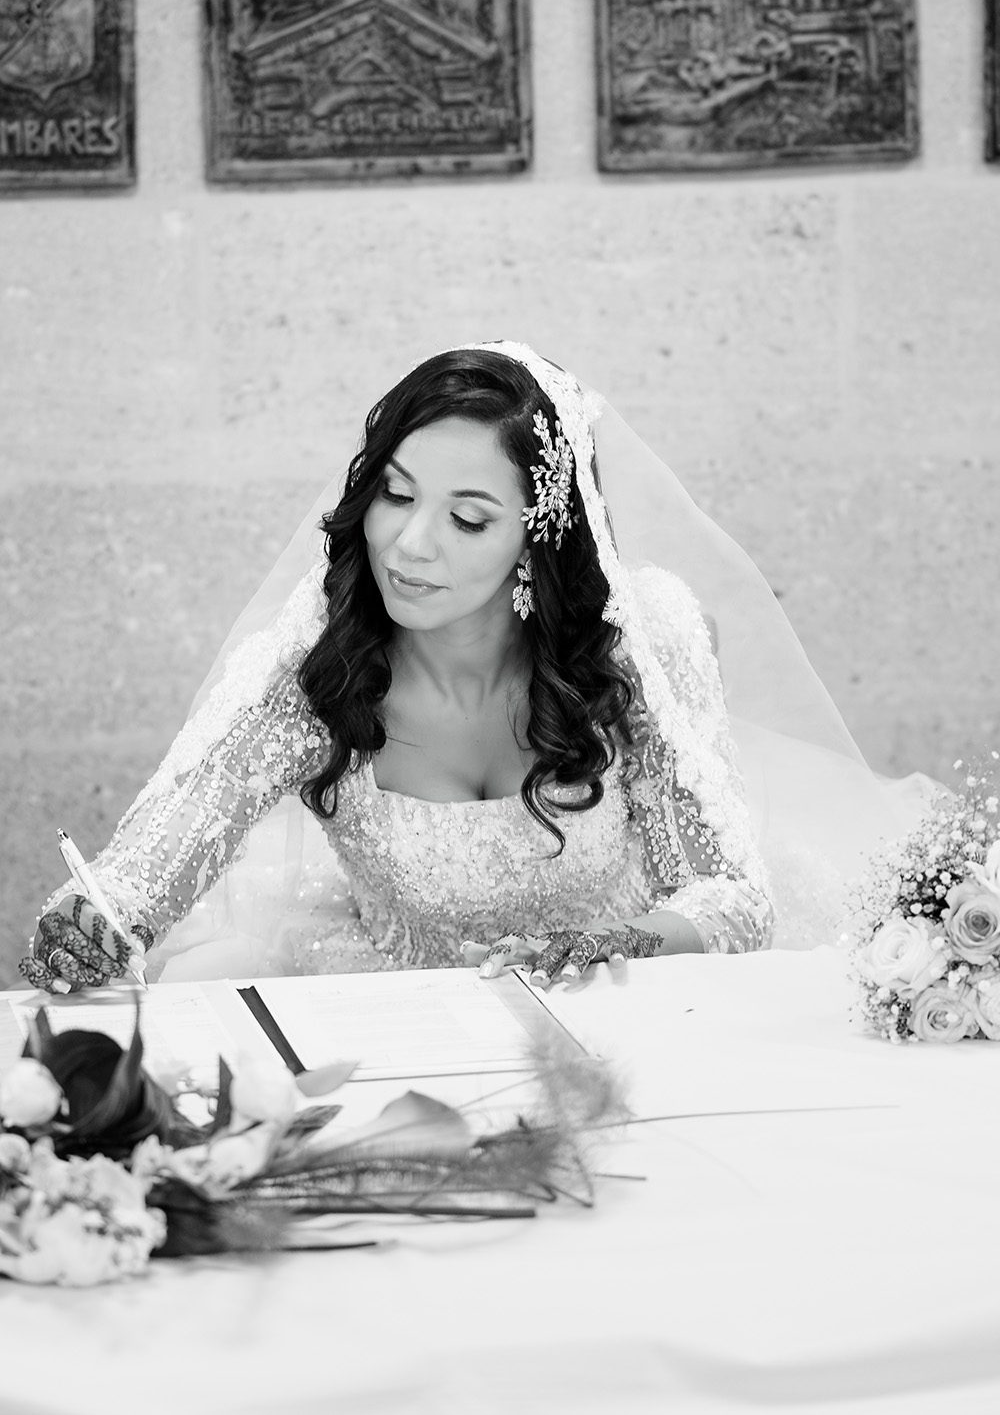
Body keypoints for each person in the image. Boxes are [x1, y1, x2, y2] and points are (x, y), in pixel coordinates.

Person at [20, 342, 922, 994]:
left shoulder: (641, 642)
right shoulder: (317, 666)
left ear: (537, 540)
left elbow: (733, 894)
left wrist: (629, 942)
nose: (410, 546)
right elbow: (152, 860)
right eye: (397, 495)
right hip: (394, 1016)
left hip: (627, 1012)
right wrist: (98, 920)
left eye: (469, 518)